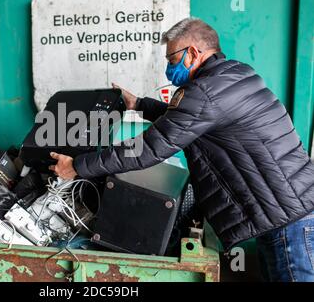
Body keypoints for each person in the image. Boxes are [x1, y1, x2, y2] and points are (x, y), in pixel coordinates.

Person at [48, 18, 314, 282]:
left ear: (194, 53)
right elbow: (188, 121)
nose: (169, 68)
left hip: (288, 226)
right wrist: (139, 104)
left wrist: (78, 166)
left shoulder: (205, 92)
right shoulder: (233, 74)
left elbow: (149, 149)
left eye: (173, 59)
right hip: (291, 213)